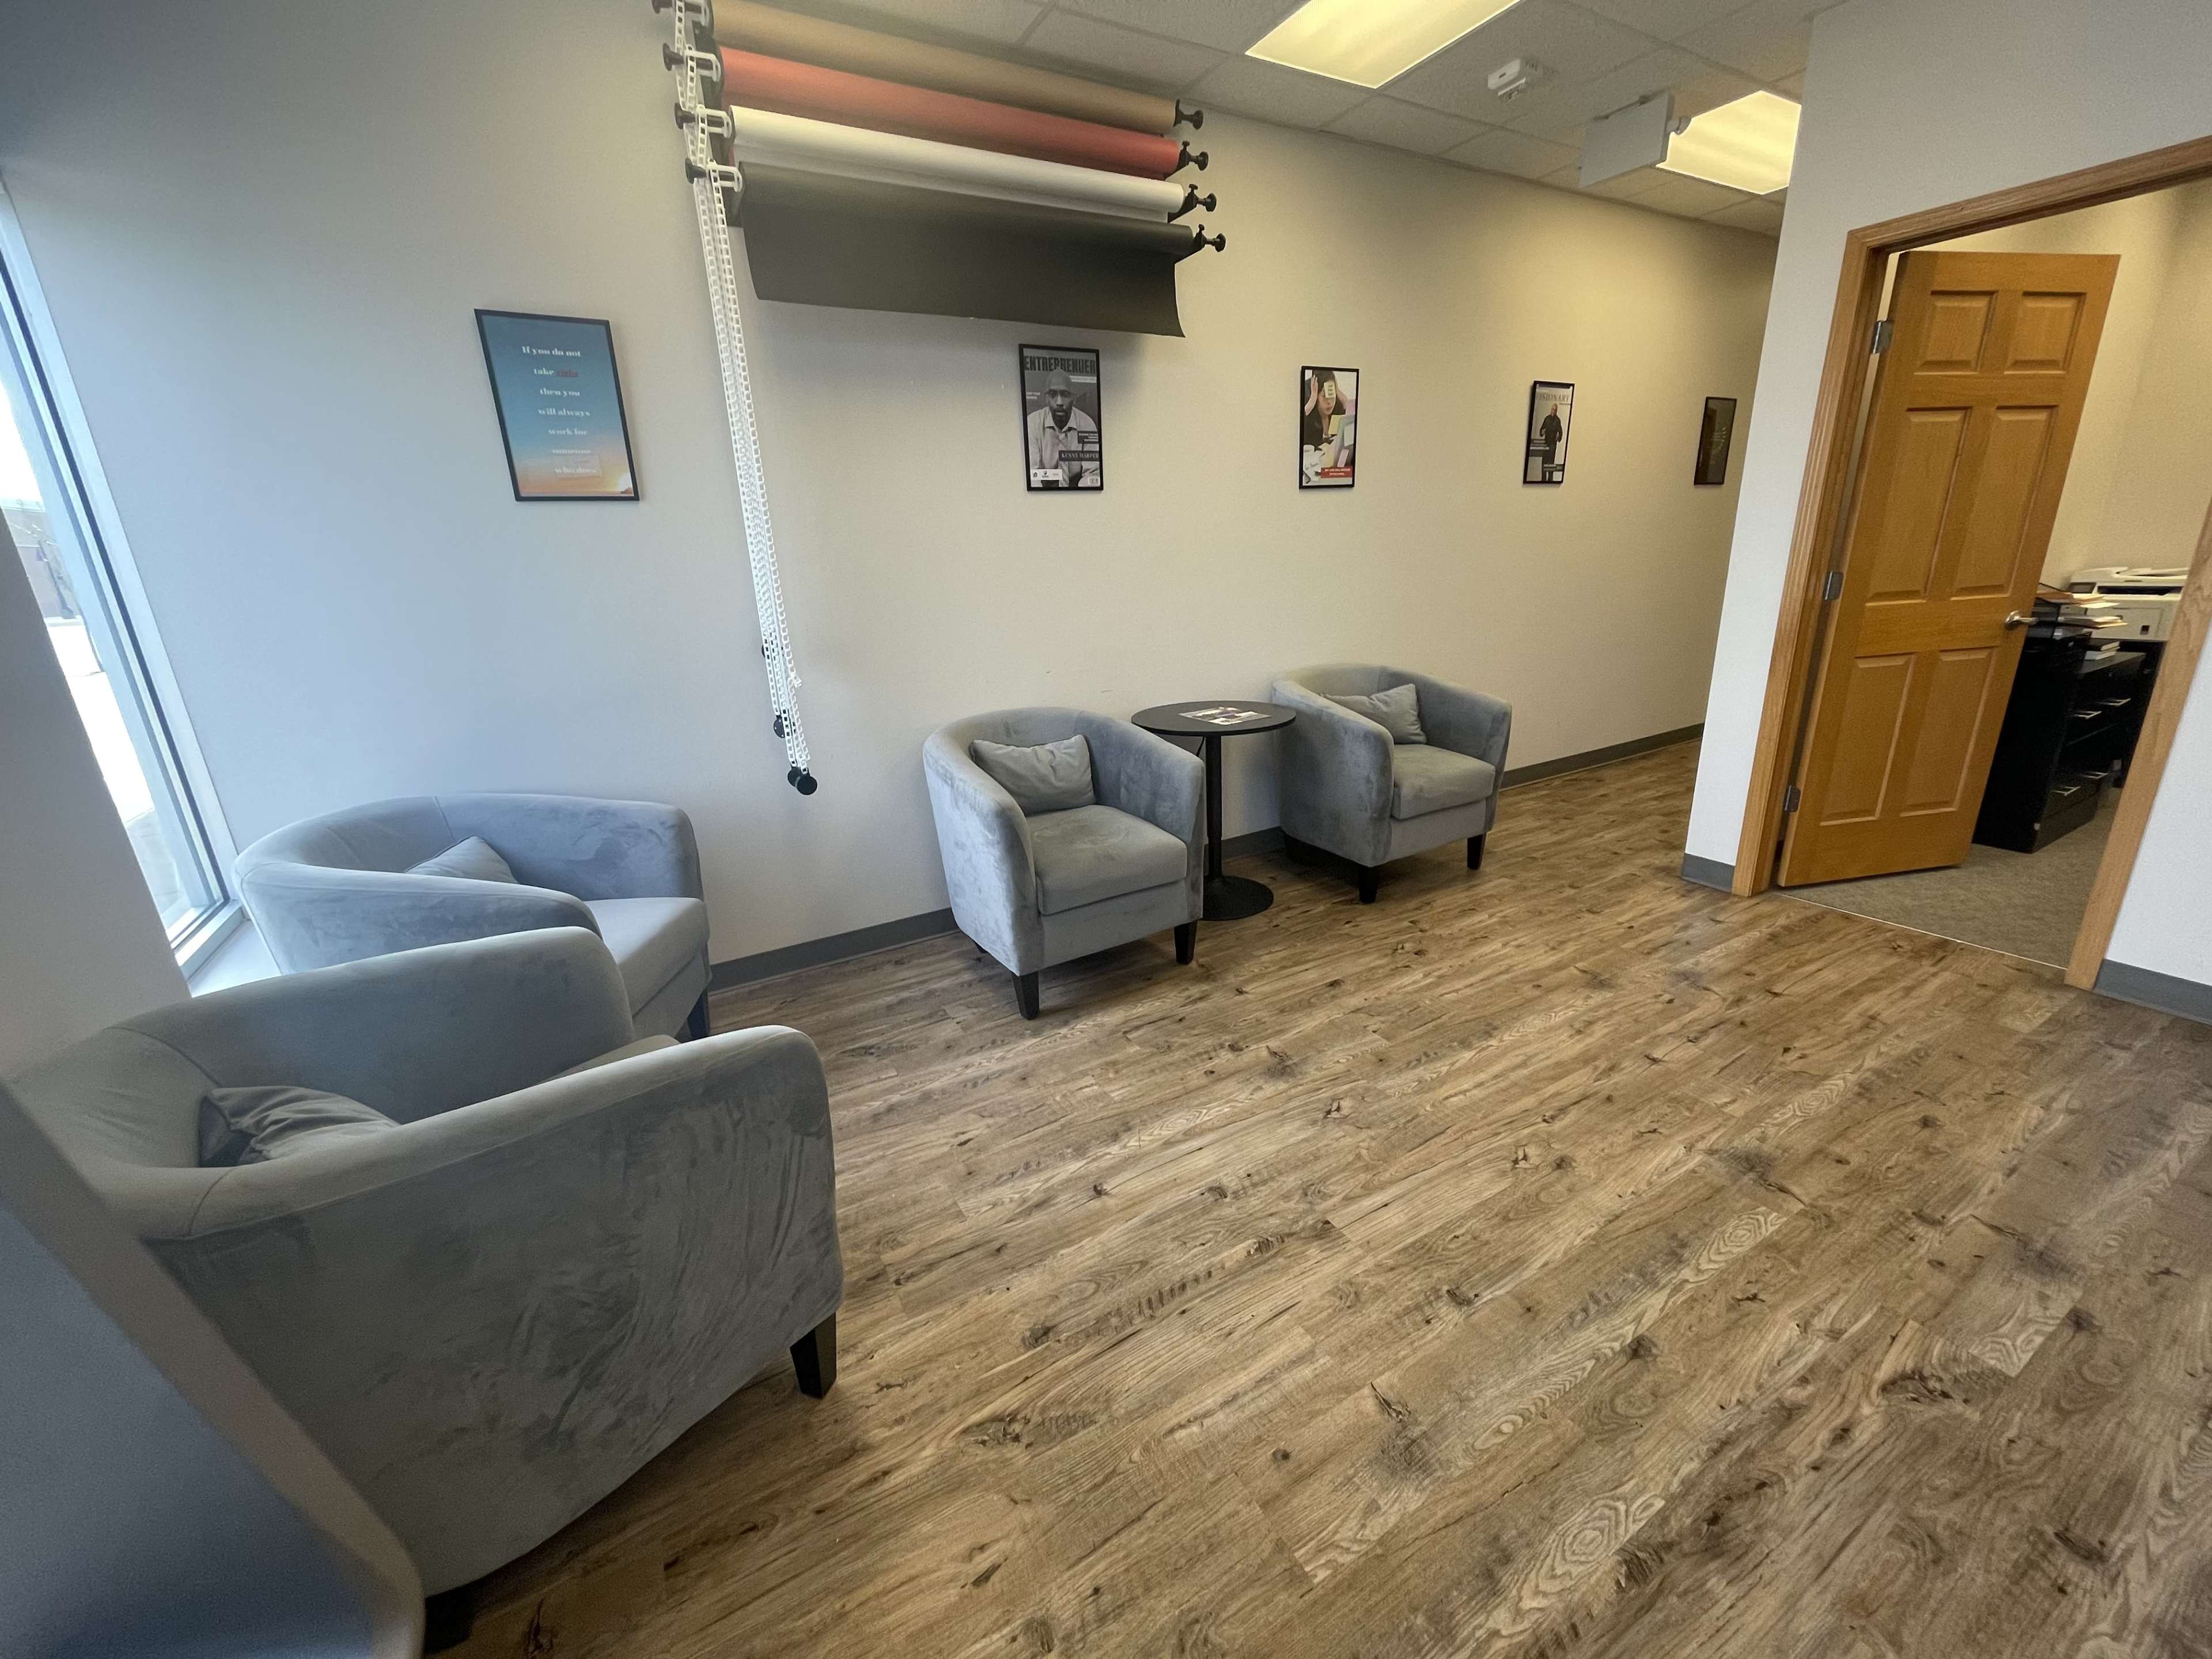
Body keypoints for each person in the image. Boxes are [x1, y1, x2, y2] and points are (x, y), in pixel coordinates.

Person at [1027, 368, 1100, 488]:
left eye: (1065, 395)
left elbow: (1093, 474)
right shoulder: (1033, 424)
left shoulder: (1087, 424)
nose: (1059, 402)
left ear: (1074, 399)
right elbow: (1031, 475)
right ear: (1047, 399)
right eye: (1053, 395)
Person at [1537, 402, 1565, 477]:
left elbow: (1561, 432)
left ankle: (1550, 481)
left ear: (1557, 411)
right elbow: (1541, 430)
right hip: (1546, 444)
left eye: (1555, 410)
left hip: (1553, 445)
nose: (1553, 411)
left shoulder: (1558, 421)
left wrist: (1558, 437)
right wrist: (1542, 432)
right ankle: (1543, 480)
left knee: (1551, 464)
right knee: (1544, 463)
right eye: (1552, 409)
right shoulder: (1547, 419)